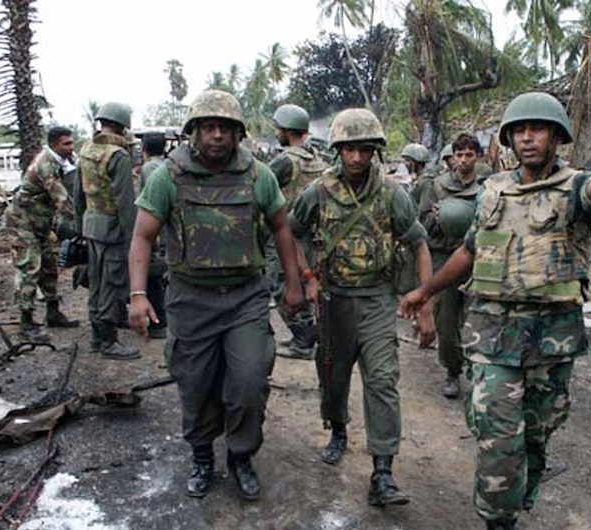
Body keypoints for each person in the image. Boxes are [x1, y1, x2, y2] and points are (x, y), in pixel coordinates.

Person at [399, 92, 591, 530]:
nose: (527, 137)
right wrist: (426, 291)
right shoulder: (493, 189)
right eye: (519, 130)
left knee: (535, 439)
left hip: (552, 341)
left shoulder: (574, 187)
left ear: (557, 136)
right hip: (494, 338)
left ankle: (516, 503)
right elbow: (472, 250)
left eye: (538, 129)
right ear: (509, 139)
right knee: (499, 440)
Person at [128, 89, 303, 501]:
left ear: (238, 133)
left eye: (225, 128)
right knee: (195, 382)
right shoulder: (167, 177)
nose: (217, 136)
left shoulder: (259, 175)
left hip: (245, 297)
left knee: (248, 380)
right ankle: (203, 454)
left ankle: (240, 455)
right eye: (208, 127)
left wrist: (293, 283)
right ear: (194, 132)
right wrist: (138, 293)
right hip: (191, 298)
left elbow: (281, 228)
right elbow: (142, 235)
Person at [288, 108, 436, 507]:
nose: (357, 158)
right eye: (350, 149)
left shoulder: (392, 194)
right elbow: (289, 233)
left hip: (376, 300)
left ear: (375, 151)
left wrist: (425, 302)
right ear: (338, 149)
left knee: (383, 379)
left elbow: (419, 243)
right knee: (333, 376)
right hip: (335, 301)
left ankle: (383, 471)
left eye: (365, 150)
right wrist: (307, 277)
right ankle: (337, 429)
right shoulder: (317, 192)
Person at [417, 133, 483, 399]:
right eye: (459, 154)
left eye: (469, 154)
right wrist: (435, 218)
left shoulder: (487, 188)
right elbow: (420, 225)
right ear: (452, 157)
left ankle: (477, 370)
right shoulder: (437, 186)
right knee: (445, 319)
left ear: (477, 156)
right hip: (444, 257)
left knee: (476, 319)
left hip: (476, 260)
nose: (464, 160)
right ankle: (452, 371)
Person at [74, 101, 140, 360]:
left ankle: (95, 336)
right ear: (123, 126)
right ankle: (108, 340)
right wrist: (135, 238)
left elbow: (78, 194)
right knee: (113, 284)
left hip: (91, 226)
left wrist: (81, 225)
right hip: (113, 230)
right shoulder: (117, 156)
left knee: (97, 284)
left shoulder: (86, 149)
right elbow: (125, 202)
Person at [4, 126, 81, 343]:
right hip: (23, 223)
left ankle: (53, 313)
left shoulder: (65, 160)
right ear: (55, 143)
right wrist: (83, 221)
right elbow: (63, 199)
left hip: (40, 224)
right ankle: (26, 323)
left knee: (49, 266)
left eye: (72, 142)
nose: (71, 147)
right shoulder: (45, 164)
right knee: (29, 269)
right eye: (67, 143)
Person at [267, 103, 327, 360]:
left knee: (280, 284)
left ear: (286, 130)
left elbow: (263, 187)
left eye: (278, 128)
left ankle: (303, 338)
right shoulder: (317, 159)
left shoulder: (285, 161)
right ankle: (306, 334)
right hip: (311, 235)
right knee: (305, 284)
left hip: (286, 233)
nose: (276, 132)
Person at [138, 132, 169, 339]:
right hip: (168, 231)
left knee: (155, 277)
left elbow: (154, 204)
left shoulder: (149, 169)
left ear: (144, 149)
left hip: (159, 231)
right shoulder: (167, 166)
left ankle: (160, 322)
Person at [400, 143, 431, 207]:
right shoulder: (417, 179)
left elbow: (423, 209)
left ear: (417, 162)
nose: (405, 163)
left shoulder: (426, 182)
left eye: (408, 160)